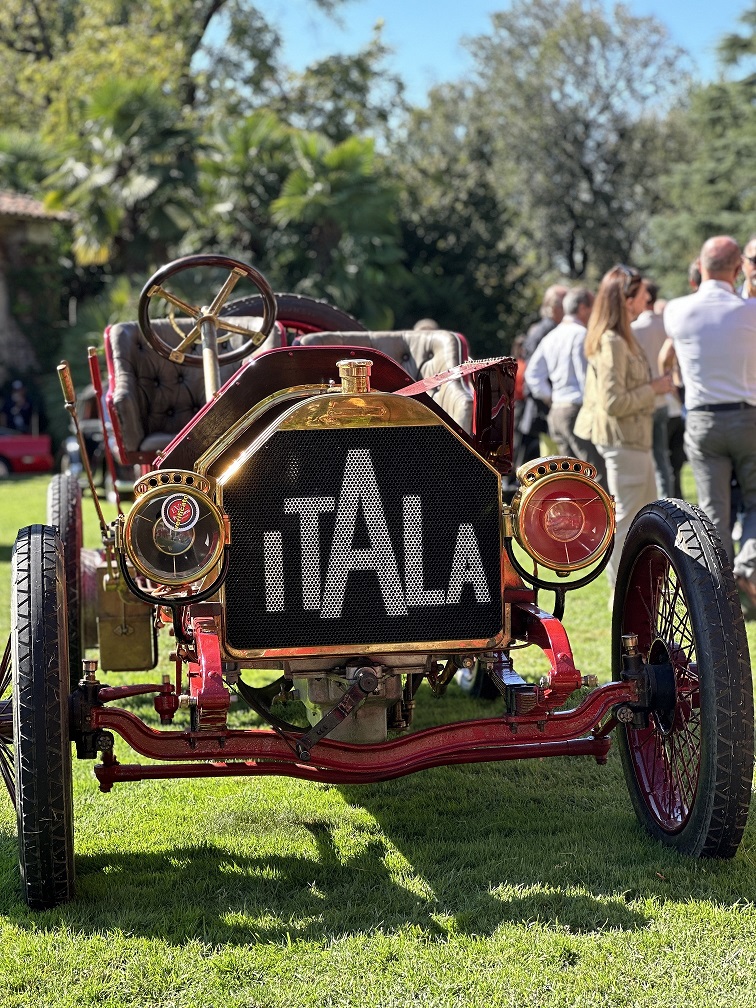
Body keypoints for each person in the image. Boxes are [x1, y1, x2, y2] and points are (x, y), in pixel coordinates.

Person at [661, 235, 756, 610]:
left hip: (701, 418)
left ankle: (722, 592)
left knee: (713, 508)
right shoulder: (749, 311)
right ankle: (749, 564)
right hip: (747, 415)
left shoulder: (677, 310)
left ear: (700, 268)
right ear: (737, 270)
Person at [574, 265, 674, 591]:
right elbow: (614, 402)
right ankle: (622, 598)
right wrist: (655, 388)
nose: (648, 298)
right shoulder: (613, 341)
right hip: (623, 442)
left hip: (634, 441)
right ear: (626, 299)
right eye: (642, 293)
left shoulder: (621, 337)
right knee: (627, 523)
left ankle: (638, 595)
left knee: (644, 520)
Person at [523, 286, 606, 483]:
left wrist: (551, 398)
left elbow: (532, 373)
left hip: (558, 412)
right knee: (595, 473)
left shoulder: (552, 336)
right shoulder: (580, 334)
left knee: (571, 478)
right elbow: (586, 377)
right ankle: (602, 515)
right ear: (584, 308)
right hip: (577, 410)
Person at [517, 284, 569, 466]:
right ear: (554, 307)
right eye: (566, 303)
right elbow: (531, 377)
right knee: (548, 467)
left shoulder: (550, 329)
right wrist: (551, 400)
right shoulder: (546, 331)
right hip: (544, 410)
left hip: (546, 409)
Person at [631, 279, 673, 496]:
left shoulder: (634, 330)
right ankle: (667, 501)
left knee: (646, 459)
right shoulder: (667, 325)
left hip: (644, 400)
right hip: (664, 400)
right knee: (662, 459)